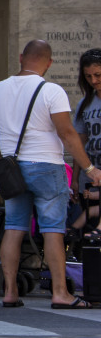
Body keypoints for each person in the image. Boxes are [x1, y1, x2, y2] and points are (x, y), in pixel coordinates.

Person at [0, 39, 101, 309]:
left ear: (21, 57)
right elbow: (68, 134)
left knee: (13, 228)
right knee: (52, 230)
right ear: (49, 63)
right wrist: (90, 169)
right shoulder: (52, 91)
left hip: (11, 168)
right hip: (47, 166)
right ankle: (60, 293)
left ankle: (11, 292)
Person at [71, 48, 101, 232]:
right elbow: (78, 144)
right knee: (89, 232)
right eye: (88, 76)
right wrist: (74, 179)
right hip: (88, 177)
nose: (94, 81)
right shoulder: (85, 103)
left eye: (98, 75)